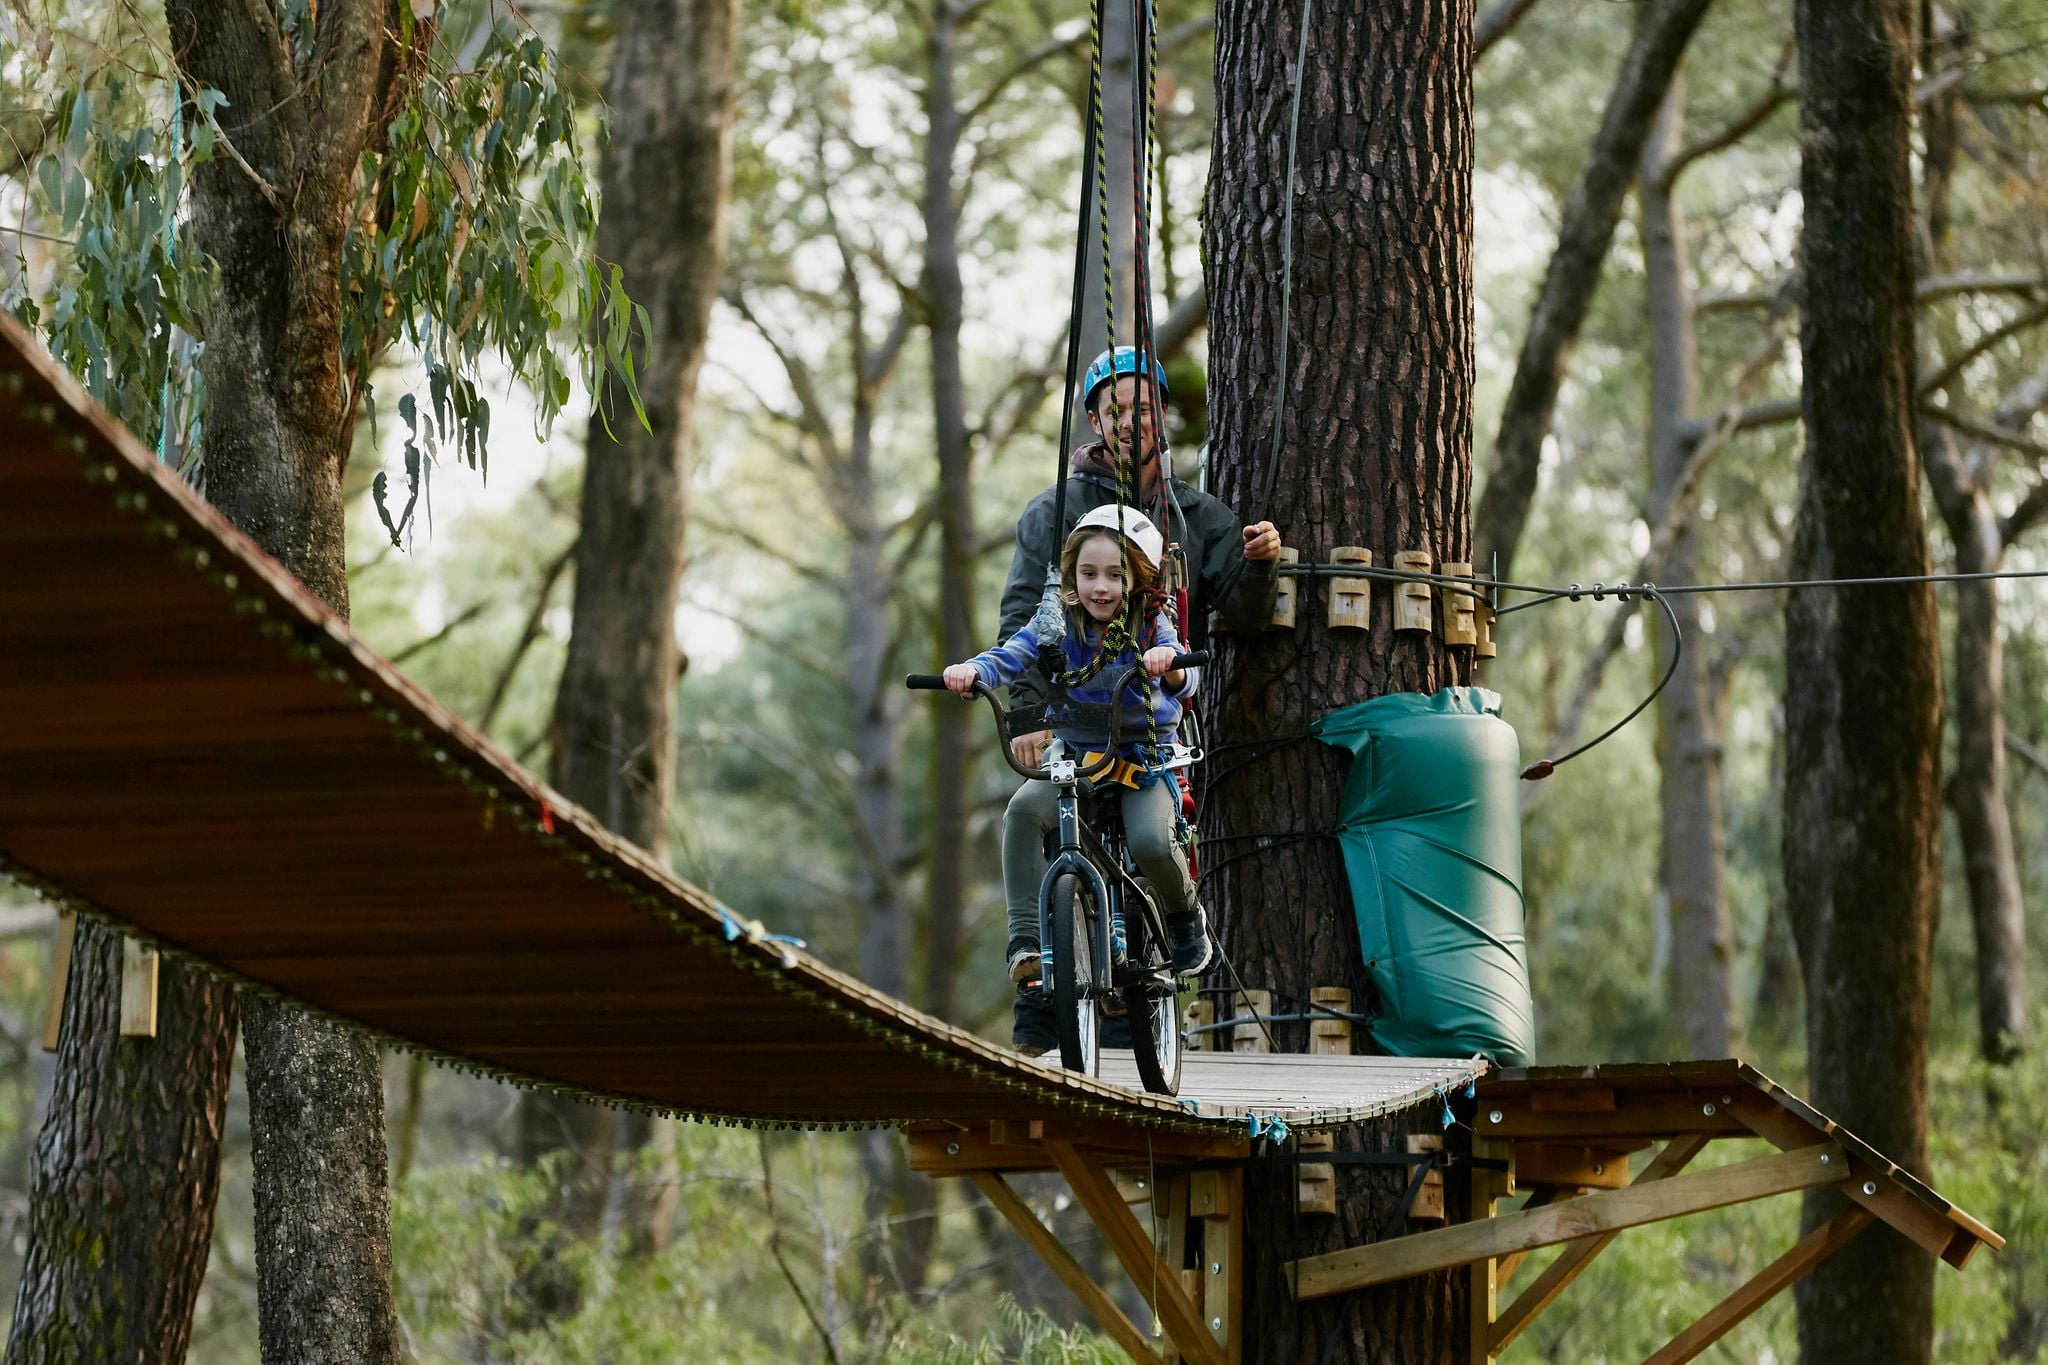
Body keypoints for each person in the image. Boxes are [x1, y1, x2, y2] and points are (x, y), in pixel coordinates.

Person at [995, 346, 1281, 1051]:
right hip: (1073, 726)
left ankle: (1167, 944)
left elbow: (1238, 612)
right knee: (1035, 821)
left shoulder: (1193, 516)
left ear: (1164, 420)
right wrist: (1027, 716)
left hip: (1148, 731)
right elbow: (1021, 622)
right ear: (1094, 420)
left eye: (1146, 408)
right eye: (1115, 409)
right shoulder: (1055, 513)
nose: (1131, 421)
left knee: (1148, 844)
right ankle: (1037, 973)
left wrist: (1260, 566)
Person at [946, 507, 1206, 1052]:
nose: (1100, 587)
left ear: (1135, 578)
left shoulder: (1151, 621)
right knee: (1022, 812)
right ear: (1071, 576)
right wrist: (974, 672)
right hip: (1078, 756)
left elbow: (1185, 675)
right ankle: (1028, 942)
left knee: (1151, 840)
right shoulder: (1056, 620)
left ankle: (1183, 916)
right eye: (1088, 574)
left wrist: (1170, 663)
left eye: (1114, 575)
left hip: (1142, 758)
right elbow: (1013, 654)